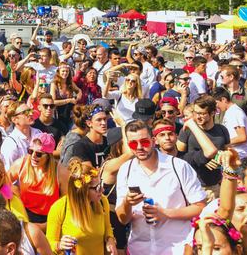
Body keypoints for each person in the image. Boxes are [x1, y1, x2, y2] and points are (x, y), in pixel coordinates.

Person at [116, 120, 207, 255]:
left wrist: (166, 214)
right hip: (140, 249)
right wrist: (127, 203)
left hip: (177, 248)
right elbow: (123, 219)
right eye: (133, 143)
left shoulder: (178, 166)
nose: (139, 147)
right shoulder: (126, 170)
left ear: (153, 141)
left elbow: (201, 207)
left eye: (144, 142)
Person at [47, 158, 116, 255]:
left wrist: (110, 239)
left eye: (101, 184)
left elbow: (107, 227)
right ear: (82, 190)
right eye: (97, 188)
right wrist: (59, 245)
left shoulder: (102, 202)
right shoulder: (59, 207)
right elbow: (49, 243)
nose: (103, 190)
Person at [10, 134, 68, 231]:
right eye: (30, 151)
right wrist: (15, 200)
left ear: (49, 156)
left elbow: (67, 202)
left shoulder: (60, 171)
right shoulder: (21, 164)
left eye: (39, 154)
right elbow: (4, 183)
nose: (33, 156)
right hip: (24, 216)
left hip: (50, 219)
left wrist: (47, 225)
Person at [178, 95, 231, 201]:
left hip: (213, 187)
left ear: (212, 113)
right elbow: (178, 156)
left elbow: (228, 153)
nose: (197, 117)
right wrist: (201, 159)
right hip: (192, 186)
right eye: (195, 113)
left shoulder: (222, 130)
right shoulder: (188, 130)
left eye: (202, 113)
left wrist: (220, 158)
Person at [0, 102, 43, 169]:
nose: (31, 114)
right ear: (14, 119)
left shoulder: (38, 133)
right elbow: (9, 173)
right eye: (25, 112)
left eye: (30, 110)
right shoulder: (10, 143)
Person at [213, 87, 247, 158]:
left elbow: (242, 137)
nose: (216, 106)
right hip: (233, 155)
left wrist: (223, 143)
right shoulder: (229, 111)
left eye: (216, 103)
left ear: (224, 99)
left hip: (240, 156)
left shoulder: (235, 112)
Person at [71, 101, 111, 168]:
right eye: (99, 120)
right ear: (89, 123)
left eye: (105, 119)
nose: (104, 123)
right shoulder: (81, 146)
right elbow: (90, 174)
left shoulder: (109, 142)